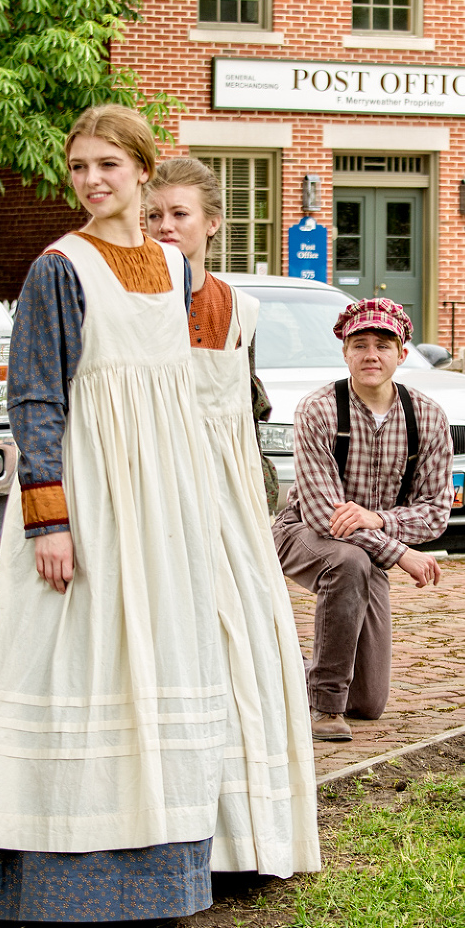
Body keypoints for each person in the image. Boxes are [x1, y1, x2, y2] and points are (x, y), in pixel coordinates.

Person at [0, 105, 232, 922]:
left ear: (144, 171)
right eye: (79, 167)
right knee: (62, 659)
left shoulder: (175, 268)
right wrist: (49, 520)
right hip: (87, 496)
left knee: (154, 663)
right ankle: (47, 885)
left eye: (108, 165)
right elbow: (35, 400)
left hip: (159, 504)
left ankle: (157, 880)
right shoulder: (59, 268)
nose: (92, 181)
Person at [144, 158, 320, 876]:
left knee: (236, 643)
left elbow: (245, 411)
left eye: (179, 215)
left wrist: (256, 499)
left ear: (211, 223)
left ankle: (240, 833)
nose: (165, 227)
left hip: (222, 497)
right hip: (150, 488)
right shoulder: (127, 300)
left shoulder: (238, 309)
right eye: (154, 215)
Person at [272, 297, 454, 742]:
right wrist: (401, 553)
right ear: (345, 352)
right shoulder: (318, 409)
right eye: (360, 345)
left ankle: (280, 669)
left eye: (383, 345)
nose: (371, 355)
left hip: (368, 549)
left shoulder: (427, 417)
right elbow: (322, 513)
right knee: (348, 561)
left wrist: (377, 519)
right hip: (302, 532)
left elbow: (435, 512)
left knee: (369, 702)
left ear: (402, 353)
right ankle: (326, 706)